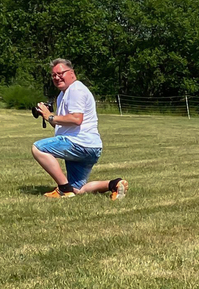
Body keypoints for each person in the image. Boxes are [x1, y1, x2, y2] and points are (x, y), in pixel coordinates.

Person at [32, 58, 128, 200]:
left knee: (38, 148)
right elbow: (63, 123)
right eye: (53, 75)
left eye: (60, 73)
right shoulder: (63, 95)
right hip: (91, 146)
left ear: (72, 73)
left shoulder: (75, 89)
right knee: (78, 189)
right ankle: (114, 184)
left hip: (78, 143)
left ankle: (63, 189)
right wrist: (47, 115)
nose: (57, 77)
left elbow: (76, 119)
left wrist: (50, 117)